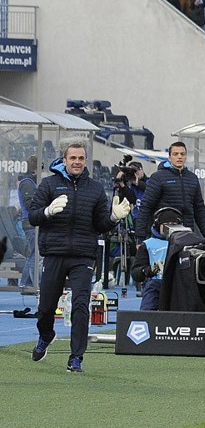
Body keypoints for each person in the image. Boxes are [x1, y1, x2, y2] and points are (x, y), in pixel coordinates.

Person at [29, 140, 131, 373]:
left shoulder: (94, 189)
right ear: (64, 161)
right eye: (72, 158)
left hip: (83, 256)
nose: (76, 162)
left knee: (81, 305)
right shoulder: (49, 184)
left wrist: (114, 218)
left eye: (81, 158)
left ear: (85, 161)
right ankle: (46, 336)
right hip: (54, 253)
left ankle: (76, 358)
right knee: (45, 308)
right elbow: (33, 217)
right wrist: (47, 211)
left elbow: (100, 225)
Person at [135, 142, 205, 244]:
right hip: (163, 237)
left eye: (182, 154)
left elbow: (199, 209)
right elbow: (146, 207)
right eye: (175, 154)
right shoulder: (158, 177)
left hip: (188, 235)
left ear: (186, 157)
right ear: (169, 157)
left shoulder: (192, 178)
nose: (179, 157)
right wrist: (140, 237)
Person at [131, 207, 182, 311]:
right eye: (167, 225)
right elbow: (136, 273)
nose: (170, 228)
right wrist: (149, 270)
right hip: (156, 282)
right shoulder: (148, 244)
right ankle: (147, 319)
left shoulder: (185, 242)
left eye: (174, 224)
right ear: (159, 225)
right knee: (152, 288)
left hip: (178, 283)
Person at [16, 155, 38, 290]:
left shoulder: (30, 182)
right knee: (35, 253)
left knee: (33, 253)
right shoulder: (27, 183)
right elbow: (29, 204)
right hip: (29, 222)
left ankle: (25, 282)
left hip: (31, 221)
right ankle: (28, 282)